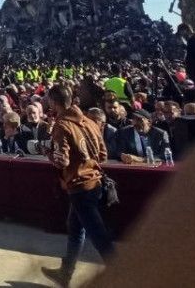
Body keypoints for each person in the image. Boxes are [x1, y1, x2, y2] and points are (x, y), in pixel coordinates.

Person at [43, 84, 113, 287]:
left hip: (80, 186)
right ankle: (65, 273)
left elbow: (62, 161)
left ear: (53, 102)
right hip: (95, 182)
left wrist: (47, 152)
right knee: (75, 228)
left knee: (98, 235)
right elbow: (103, 155)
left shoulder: (62, 126)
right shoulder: (90, 121)